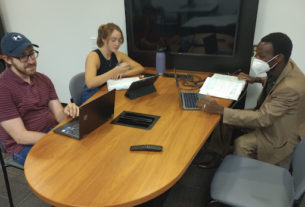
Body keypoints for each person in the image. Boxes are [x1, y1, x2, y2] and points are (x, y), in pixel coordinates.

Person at [197, 32, 305, 166]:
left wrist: (220, 109)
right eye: (256, 54)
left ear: (278, 58)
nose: (256, 58)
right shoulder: (285, 63)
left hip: (279, 134)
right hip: (271, 118)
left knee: (242, 143)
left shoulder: (291, 88)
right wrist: (257, 79)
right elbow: (277, 82)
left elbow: (262, 118)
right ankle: (217, 155)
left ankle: (241, 175)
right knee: (224, 120)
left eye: (261, 56)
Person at [0, 32, 79, 165]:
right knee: (65, 163)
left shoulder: (43, 79)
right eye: (22, 57)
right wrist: (57, 139)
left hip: (51, 131)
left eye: (31, 53)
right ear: (7, 59)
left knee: (85, 147)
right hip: (23, 146)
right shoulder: (3, 88)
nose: (31, 60)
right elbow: (20, 137)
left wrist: (68, 111)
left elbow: (59, 115)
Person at [81, 23, 144, 103]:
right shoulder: (93, 56)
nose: (117, 44)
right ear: (103, 39)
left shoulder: (118, 54)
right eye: (113, 40)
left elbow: (140, 68)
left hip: (108, 93)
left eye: (119, 40)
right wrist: (114, 72)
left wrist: (122, 74)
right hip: (92, 97)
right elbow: (90, 83)